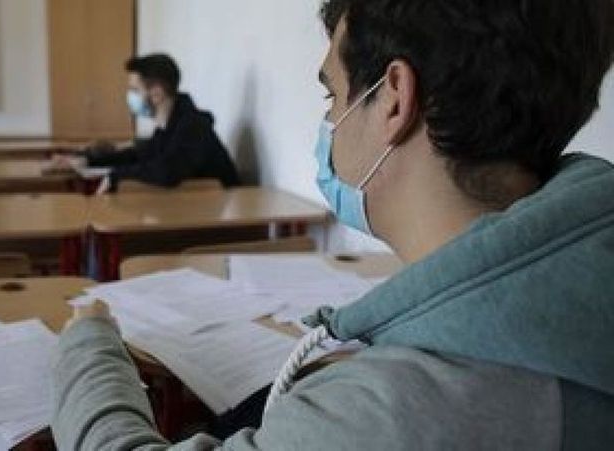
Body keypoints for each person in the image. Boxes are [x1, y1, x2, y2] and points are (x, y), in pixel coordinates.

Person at [52, 0, 614, 449]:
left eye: (332, 94)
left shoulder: (392, 412)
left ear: (393, 100)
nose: (328, 120)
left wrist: (87, 344)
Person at [88, 54, 240, 192]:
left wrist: (115, 176)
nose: (130, 96)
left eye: (135, 90)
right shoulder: (167, 127)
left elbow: (167, 171)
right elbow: (140, 155)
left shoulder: (194, 125)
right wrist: (88, 161)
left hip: (221, 210)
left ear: (157, 93)